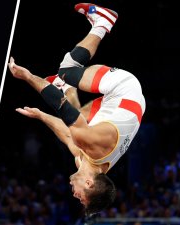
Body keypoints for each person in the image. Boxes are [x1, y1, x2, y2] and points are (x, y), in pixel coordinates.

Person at [8, 3, 146, 215]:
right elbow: (61, 107)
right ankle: (103, 22)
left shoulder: (86, 162)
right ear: (89, 184)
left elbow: (66, 134)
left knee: (77, 118)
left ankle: (65, 87)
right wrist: (28, 77)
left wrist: (40, 116)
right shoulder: (93, 148)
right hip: (125, 89)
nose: (75, 196)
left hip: (125, 110)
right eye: (81, 198)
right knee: (67, 69)